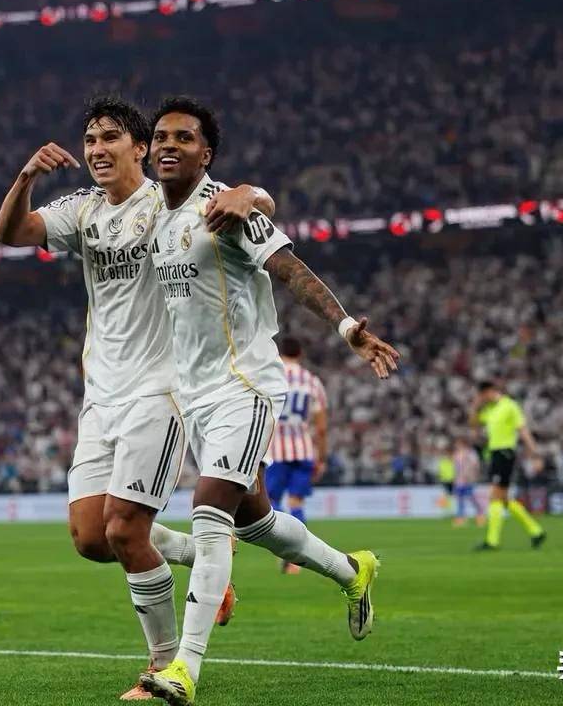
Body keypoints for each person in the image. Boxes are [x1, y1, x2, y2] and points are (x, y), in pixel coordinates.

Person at [0, 96, 269, 699]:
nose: (97, 149)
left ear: (141, 149)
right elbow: (12, 232)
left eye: (110, 138)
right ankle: (204, 558)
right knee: (91, 538)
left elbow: (247, 202)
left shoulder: (168, 201)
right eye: (90, 139)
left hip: (161, 390)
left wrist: (250, 192)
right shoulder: (82, 210)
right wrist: (26, 176)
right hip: (101, 396)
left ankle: (163, 667)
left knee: (123, 529)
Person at [140, 96, 400, 705]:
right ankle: (353, 569)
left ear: (206, 153)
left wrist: (346, 327)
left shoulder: (229, 211)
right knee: (254, 521)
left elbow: (289, 269)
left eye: (184, 137)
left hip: (246, 385)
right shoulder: (150, 214)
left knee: (209, 514)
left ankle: (184, 669)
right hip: (193, 395)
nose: (169, 144)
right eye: (160, 137)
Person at [265, 336, 328, 573]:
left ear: (279, 354)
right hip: (303, 450)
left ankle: (285, 547)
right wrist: (321, 458)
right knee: (297, 503)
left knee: (271, 504)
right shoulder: (312, 381)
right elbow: (321, 428)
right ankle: (297, 559)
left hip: (275, 451)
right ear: (300, 354)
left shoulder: (269, 377)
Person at [470, 381, 547, 550]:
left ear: (489, 391)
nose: (482, 399)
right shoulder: (490, 409)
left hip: (505, 453)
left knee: (495, 496)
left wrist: (535, 454)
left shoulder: (510, 406)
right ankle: (536, 531)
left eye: (482, 395)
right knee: (503, 499)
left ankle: (492, 541)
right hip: (494, 455)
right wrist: (475, 407)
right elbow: (474, 425)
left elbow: (523, 430)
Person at [451, 437, 485, 527]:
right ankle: (461, 517)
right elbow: (456, 468)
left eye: (458, 443)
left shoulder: (470, 453)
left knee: (471, 497)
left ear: (463, 443)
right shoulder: (457, 454)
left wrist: (471, 475)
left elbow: (475, 465)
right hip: (459, 480)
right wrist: (455, 478)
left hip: (468, 479)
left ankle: (480, 514)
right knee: (460, 498)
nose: (456, 445)